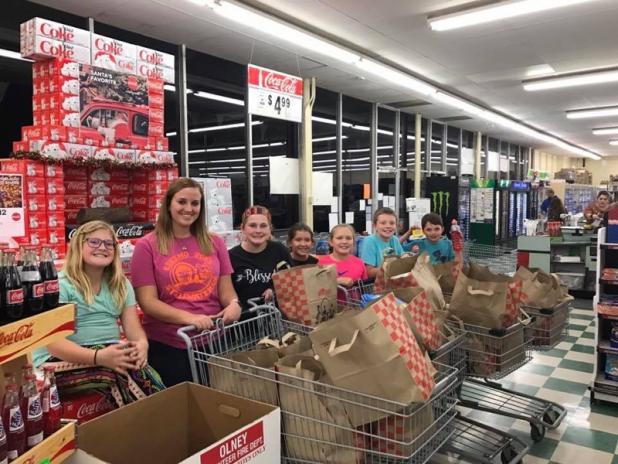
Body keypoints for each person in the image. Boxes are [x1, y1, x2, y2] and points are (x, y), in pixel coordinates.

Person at [39, 220, 164, 406]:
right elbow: (53, 344)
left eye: (109, 243)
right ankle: (157, 421)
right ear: (78, 245)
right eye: (94, 242)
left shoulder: (120, 285)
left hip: (106, 351)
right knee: (115, 372)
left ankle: (161, 417)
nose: (102, 247)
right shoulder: (60, 285)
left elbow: (133, 329)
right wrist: (99, 357)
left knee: (142, 369)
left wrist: (142, 345)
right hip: (53, 362)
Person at [131, 178, 241, 387]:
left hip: (215, 342)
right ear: (169, 204)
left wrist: (234, 304)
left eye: (195, 203)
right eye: (182, 202)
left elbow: (226, 290)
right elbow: (148, 302)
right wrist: (190, 318)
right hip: (169, 346)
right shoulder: (147, 246)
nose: (189, 209)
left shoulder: (215, 242)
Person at [229, 206, 292, 315]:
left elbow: (291, 279)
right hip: (244, 324)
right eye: (252, 225)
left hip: (278, 322)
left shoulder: (280, 250)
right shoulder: (231, 257)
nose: (258, 230)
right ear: (243, 228)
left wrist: (274, 289)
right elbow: (227, 293)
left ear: (270, 228)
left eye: (263, 226)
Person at [359, 207, 404, 279]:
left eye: (392, 223)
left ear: (396, 226)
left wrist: (407, 257)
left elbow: (402, 259)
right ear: (375, 226)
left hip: (395, 282)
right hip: (376, 285)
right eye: (383, 223)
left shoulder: (395, 240)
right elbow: (368, 272)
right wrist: (389, 269)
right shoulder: (369, 241)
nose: (388, 226)